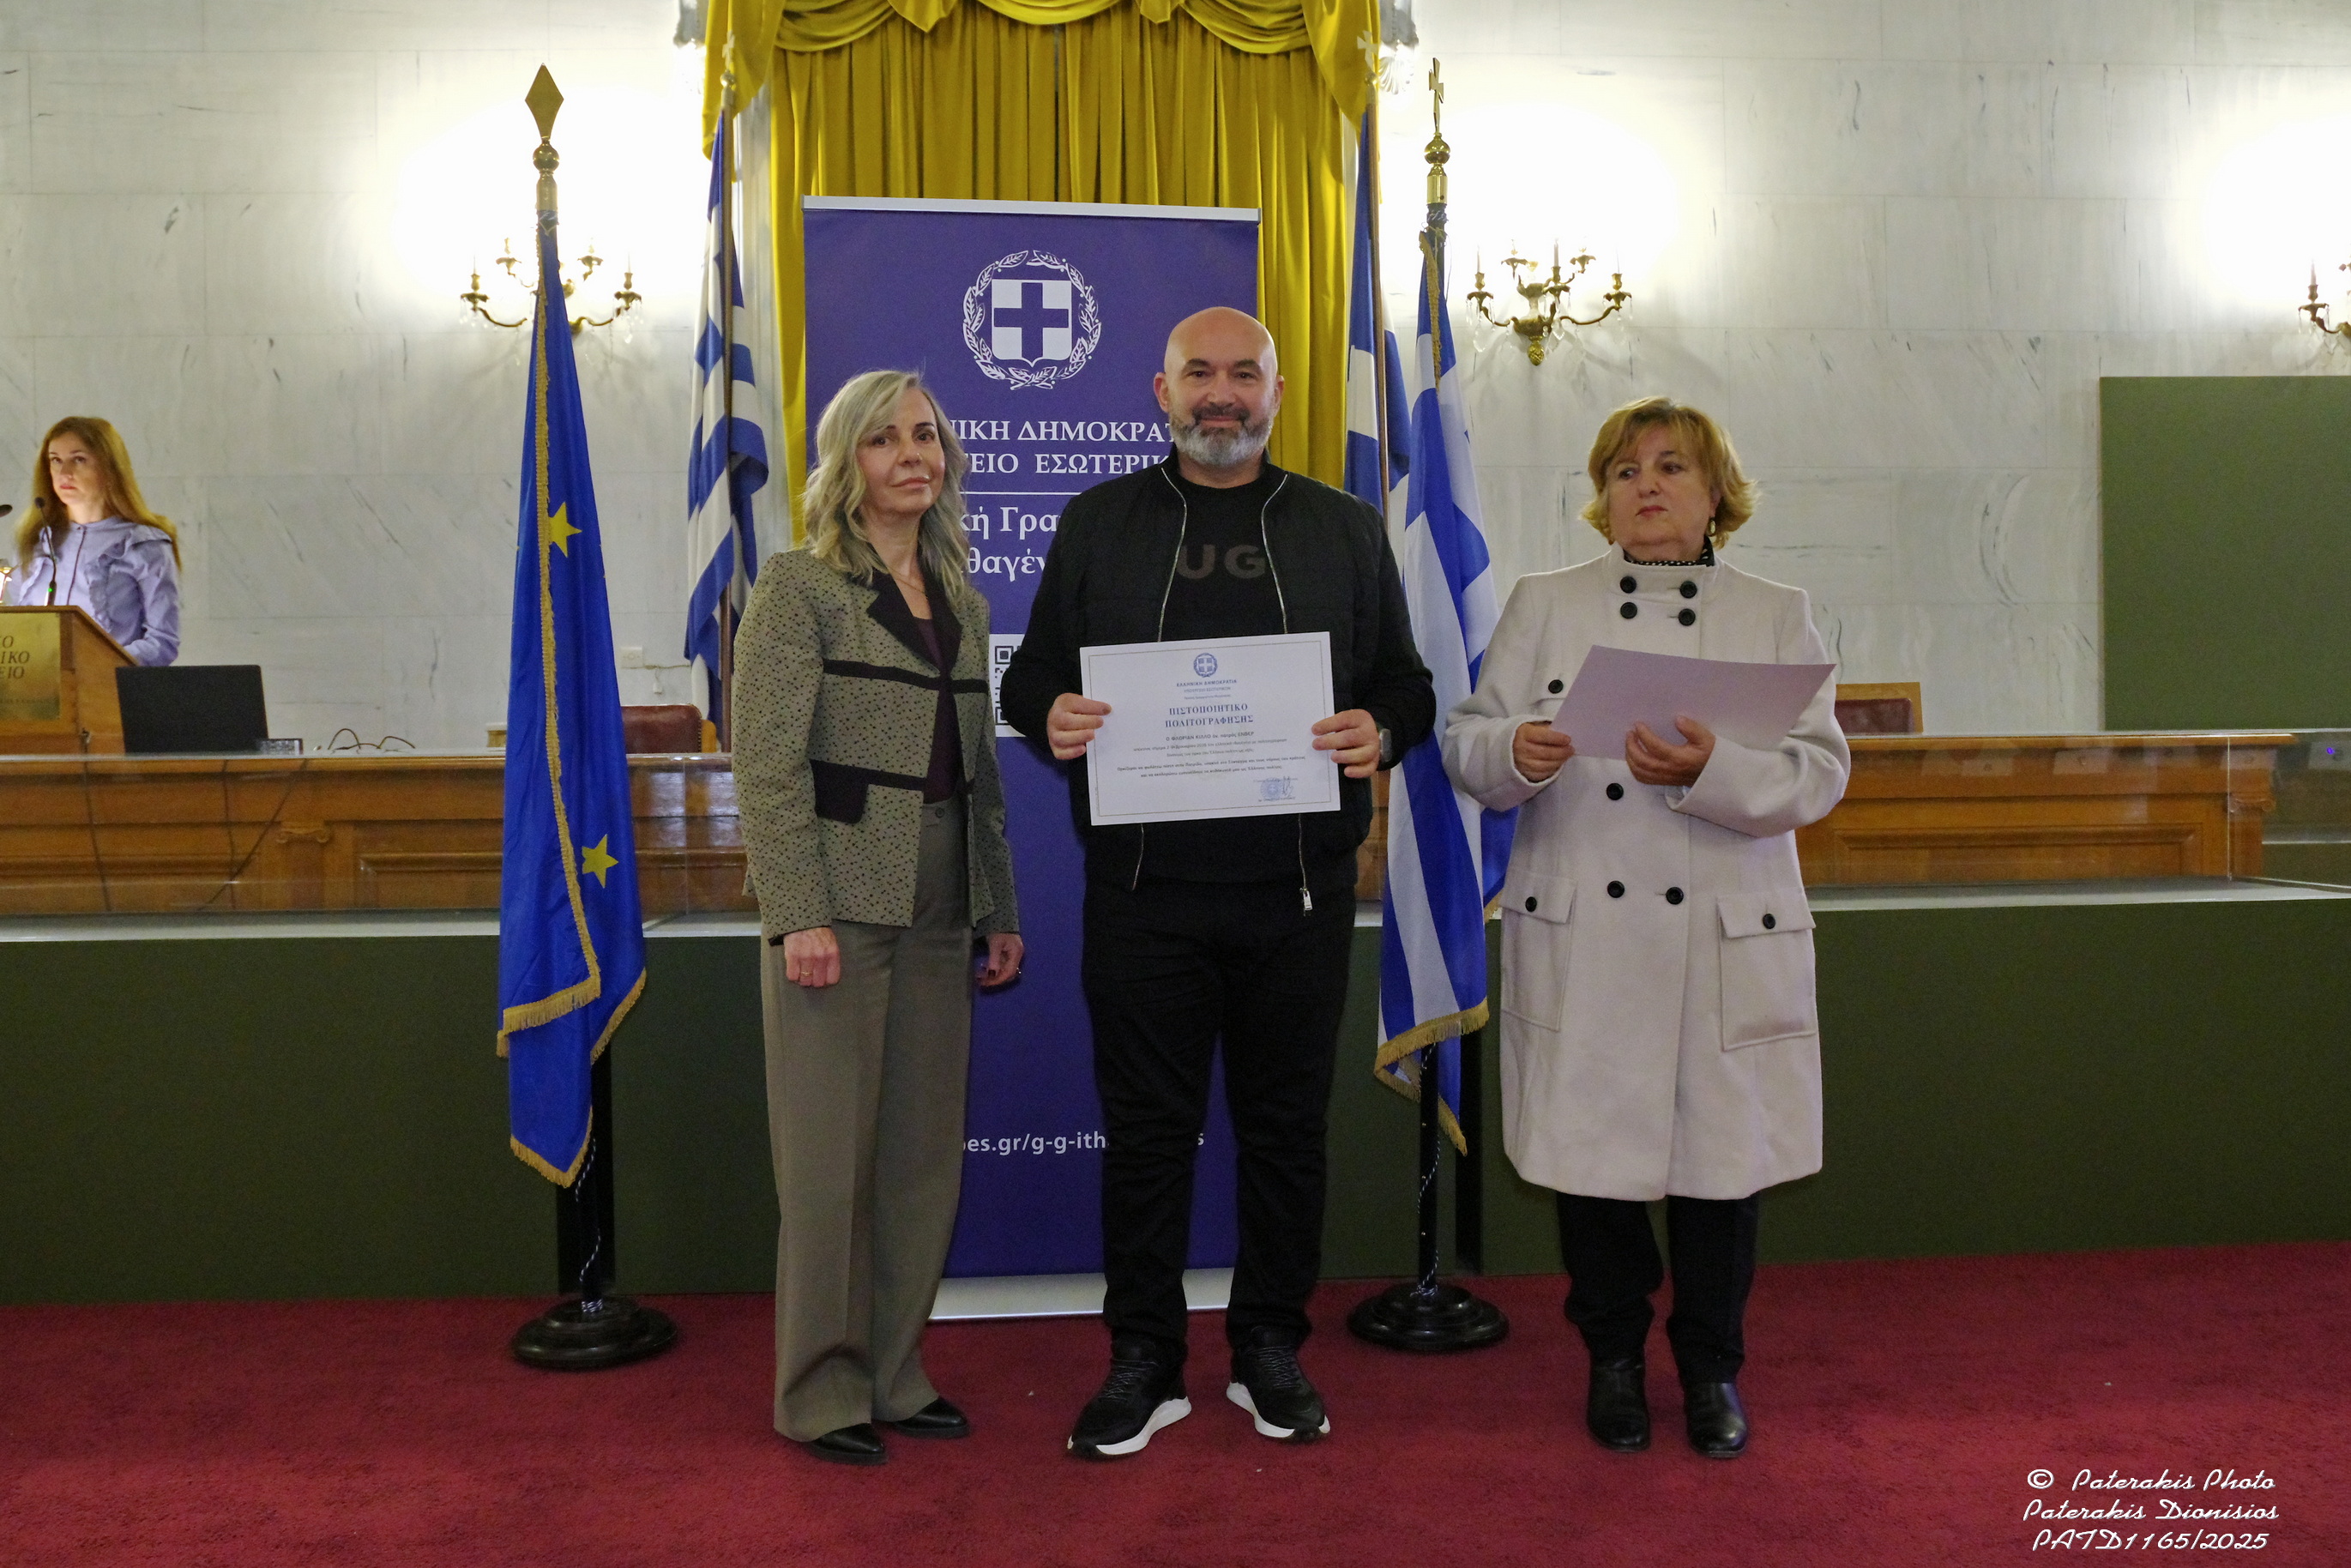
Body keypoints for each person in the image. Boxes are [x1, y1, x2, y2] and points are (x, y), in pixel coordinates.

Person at [1002, 306, 1434, 1460]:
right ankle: (1144, 1357)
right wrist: (1049, 712)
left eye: (1245, 374)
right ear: (1162, 391)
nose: (1222, 394)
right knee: (1148, 1137)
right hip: (1143, 896)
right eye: (1200, 373)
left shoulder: (1343, 527)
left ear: (1277, 395)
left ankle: (1268, 1346)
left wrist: (1378, 729)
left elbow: (1407, 686)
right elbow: (1029, 677)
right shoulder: (1098, 522)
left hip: (1296, 894)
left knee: (1286, 1133)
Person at [1442, 396, 1848, 1460]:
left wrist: (1715, 767)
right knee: (1594, 1171)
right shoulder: (1545, 602)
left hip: (1720, 934)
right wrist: (1516, 752)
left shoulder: (1774, 611)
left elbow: (1818, 772)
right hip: (1589, 932)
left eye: (1670, 467)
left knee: (1723, 1173)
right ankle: (1612, 1359)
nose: (1646, 487)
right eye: (1624, 471)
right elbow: (1468, 741)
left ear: (1716, 494)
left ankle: (1711, 1369)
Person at [731, 370, 1023, 1468]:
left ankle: (896, 1374)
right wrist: (796, 912)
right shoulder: (798, 586)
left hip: (942, 900)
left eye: (926, 437)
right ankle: (820, 1390)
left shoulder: (963, 600)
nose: (913, 456)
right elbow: (765, 766)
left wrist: (996, 904)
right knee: (828, 1167)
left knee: (917, 1158)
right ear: (844, 461)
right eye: (885, 439)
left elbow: (978, 774)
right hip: (839, 905)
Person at [3, 416, 181, 665]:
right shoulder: (35, 540)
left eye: (79, 459)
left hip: (108, 684)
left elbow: (162, 642)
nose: (64, 473)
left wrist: (96, 665)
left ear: (109, 467)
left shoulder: (143, 544)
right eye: (56, 460)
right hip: (37, 683)